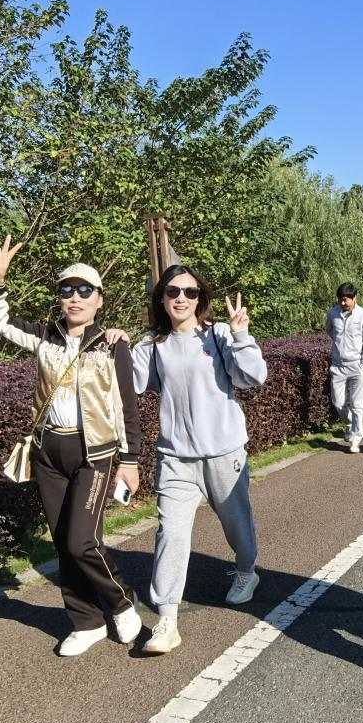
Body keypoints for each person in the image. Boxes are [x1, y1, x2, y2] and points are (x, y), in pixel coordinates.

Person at [0, 235, 142, 657]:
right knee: (62, 543)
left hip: (95, 454)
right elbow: (0, 323)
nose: (75, 297)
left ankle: (121, 601)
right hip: (48, 452)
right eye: (67, 290)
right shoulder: (44, 336)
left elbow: (126, 407)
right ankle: (86, 622)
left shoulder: (112, 344)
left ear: (99, 300)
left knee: (81, 541)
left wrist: (130, 461)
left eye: (85, 290)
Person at [130, 264, 266, 655]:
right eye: (173, 291)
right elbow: (134, 383)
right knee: (170, 535)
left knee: (237, 525)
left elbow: (254, 376)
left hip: (224, 453)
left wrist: (241, 336)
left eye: (190, 292)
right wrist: (121, 345)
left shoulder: (218, 334)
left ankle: (246, 572)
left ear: (200, 298)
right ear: (161, 297)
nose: (181, 298)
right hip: (175, 457)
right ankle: (167, 619)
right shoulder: (152, 343)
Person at [325, 282, 363, 453]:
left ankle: (355, 439)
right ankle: (349, 423)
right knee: (338, 403)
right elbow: (330, 331)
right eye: (340, 299)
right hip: (338, 366)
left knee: (357, 405)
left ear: (354, 298)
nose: (343, 303)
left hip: (356, 366)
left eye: (346, 299)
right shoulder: (332, 313)